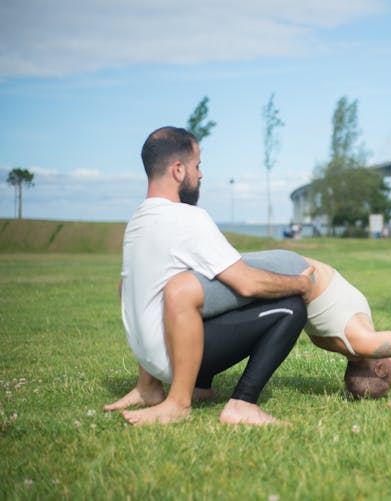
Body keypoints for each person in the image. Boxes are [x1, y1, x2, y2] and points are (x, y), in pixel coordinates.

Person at [103, 126, 314, 426]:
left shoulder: (138, 219)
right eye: (197, 166)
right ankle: (236, 404)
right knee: (290, 307)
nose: (200, 174)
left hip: (151, 354)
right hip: (172, 358)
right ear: (178, 170)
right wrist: (300, 283)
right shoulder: (188, 219)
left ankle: (149, 389)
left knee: (186, 287)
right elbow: (247, 283)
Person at [167, 249, 391, 406]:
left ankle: (190, 383)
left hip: (293, 270)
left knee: (198, 283)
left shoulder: (363, 342)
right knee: (201, 283)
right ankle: (193, 382)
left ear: (380, 368)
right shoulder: (339, 343)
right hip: (291, 273)